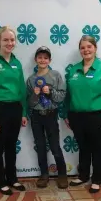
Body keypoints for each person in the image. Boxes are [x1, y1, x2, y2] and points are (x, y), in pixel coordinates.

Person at [63, 35, 101, 193]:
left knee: (97, 149)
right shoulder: (73, 69)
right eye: (82, 47)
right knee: (83, 148)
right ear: (79, 50)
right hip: (76, 117)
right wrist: (66, 114)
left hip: (97, 117)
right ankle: (83, 175)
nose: (86, 50)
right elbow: (68, 94)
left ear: (95, 48)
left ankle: (96, 180)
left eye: (89, 46)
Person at [0, 26, 28, 196]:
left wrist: (23, 113)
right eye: (6, 40)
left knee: (11, 146)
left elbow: (22, 90)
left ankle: (12, 178)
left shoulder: (17, 63)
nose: (10, 43)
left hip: (15, 109)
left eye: (12, 40)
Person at [26, 46, 68, 189]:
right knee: (41, 146)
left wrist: (50, 92)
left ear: (50, 60)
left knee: (55, 145)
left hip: (51, 115)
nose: (42, 60)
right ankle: (44, 174)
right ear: (35, 59)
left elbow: (61, 97)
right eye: (40, 57)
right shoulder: (31, 80)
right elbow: (29, 103)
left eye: (45, 57)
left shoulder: (55, 75)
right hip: (36, 117)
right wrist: (35, 94)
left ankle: (62, 174)